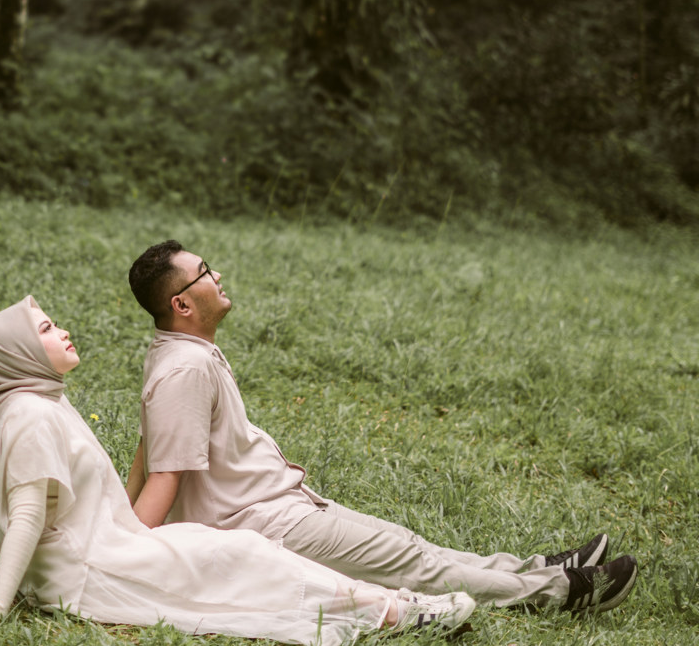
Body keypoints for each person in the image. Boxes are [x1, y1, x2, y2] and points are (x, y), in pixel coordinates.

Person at [125, 241, 639, 616]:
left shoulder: (185, 354)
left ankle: (538, 567)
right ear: (182, 305)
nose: (217, 275)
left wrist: (118, 520)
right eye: (204, 273)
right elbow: (164, 475)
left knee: (408, 544)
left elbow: (148, 450)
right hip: (260, 523)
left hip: (280, 502)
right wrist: (125, 552)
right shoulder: (185, 369)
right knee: (412, 565)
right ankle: (562, 592)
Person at [0, 295, 477, 646]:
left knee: (237, 551)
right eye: (46, 329)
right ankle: (397, 613)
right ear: (18, 354)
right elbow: (28, 512)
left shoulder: (39, 404)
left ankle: (393, 605)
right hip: (92, 568)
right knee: (243, 559)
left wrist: (18, 565)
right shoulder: (31, 415)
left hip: (101, 549)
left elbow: (51, 507)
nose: (63, 330)